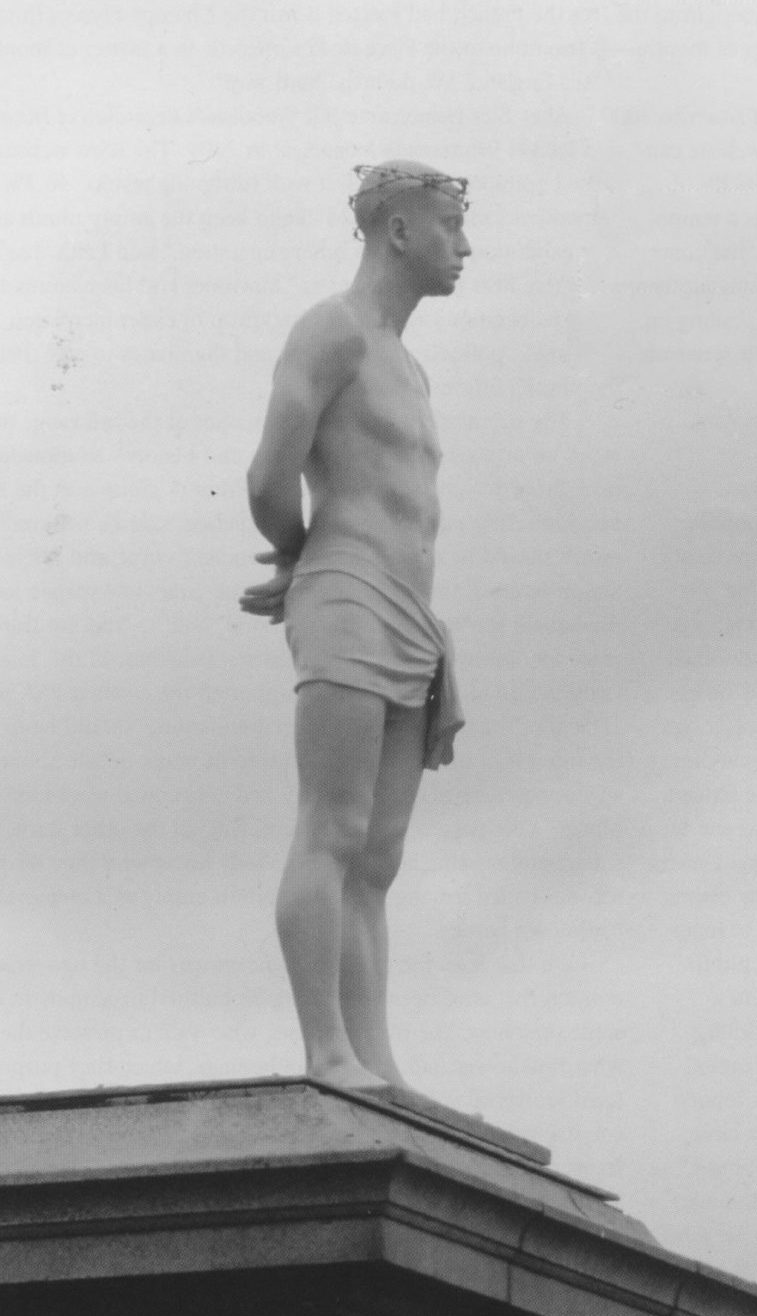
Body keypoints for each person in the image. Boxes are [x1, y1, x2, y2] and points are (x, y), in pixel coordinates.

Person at [239, 161, 471, 1090]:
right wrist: (303, 562)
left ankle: (374, 1058)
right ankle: (325, 1051)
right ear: (400, 230)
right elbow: (267, 477)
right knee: (330, 828)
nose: (464, 246)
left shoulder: (409, 364)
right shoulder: (330, 330)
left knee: (376, 855)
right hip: (346, 591)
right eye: (449, 225)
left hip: (412, 614)